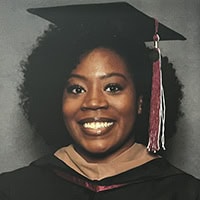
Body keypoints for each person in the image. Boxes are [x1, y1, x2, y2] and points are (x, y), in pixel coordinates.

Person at [0, 2, 199, 200]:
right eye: (76, 89)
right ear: (56, 101)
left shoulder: (185, 193)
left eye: (113, 88)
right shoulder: (13, 190)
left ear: (141, 101)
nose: (94, 102)